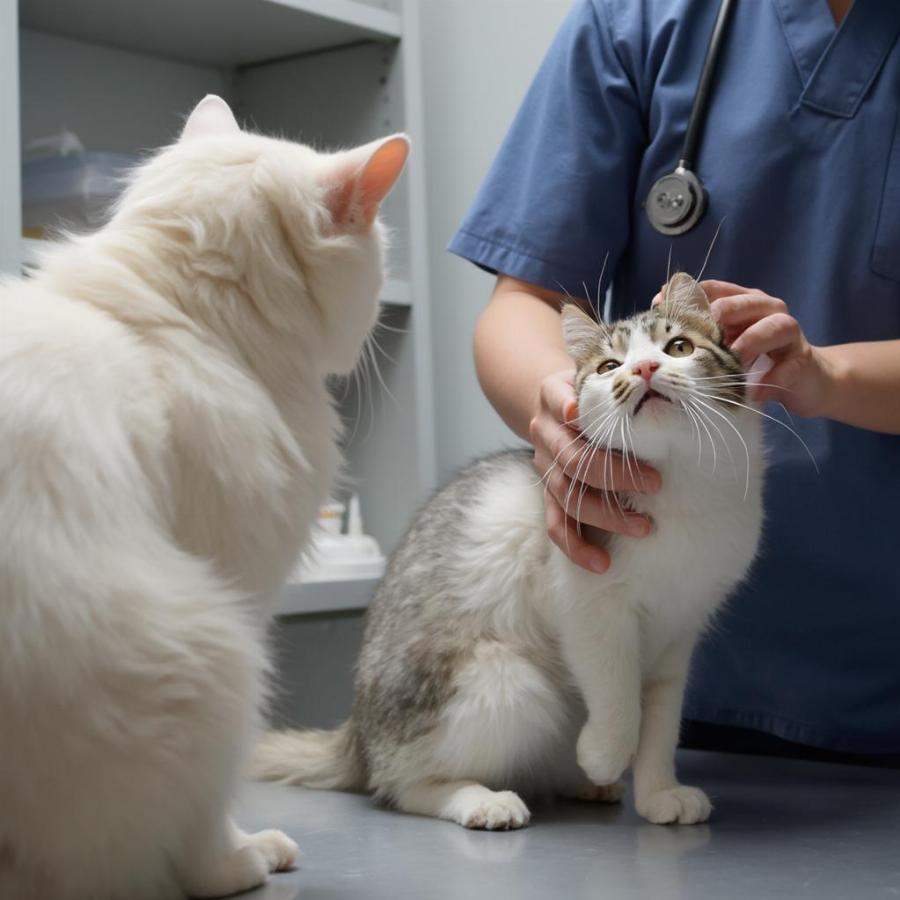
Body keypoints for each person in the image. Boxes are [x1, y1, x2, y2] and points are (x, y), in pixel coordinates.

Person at [449, 0, 900, 762]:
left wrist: (825, 375)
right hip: (642, 660)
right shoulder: (639, 21)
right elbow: (526, 301)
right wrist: (561, 415)